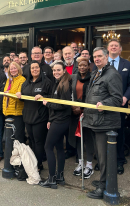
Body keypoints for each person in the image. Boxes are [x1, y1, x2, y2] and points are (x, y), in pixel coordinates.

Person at [83, 47, 123, 199]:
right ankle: (103, 181)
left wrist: (103, 103)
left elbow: (117, 99)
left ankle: (103, 187)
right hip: (94, 121)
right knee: (100, 157)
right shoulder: (96, 72)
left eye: (100, 56)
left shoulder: (112, 75)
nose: (97, 59)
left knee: (104, 158)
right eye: (95, 57)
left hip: (105, 122)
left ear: (107, 57)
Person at [37, 61, 72, 189]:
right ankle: (59, 176)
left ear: (64, 70)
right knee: (59, 148)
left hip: (61, 120)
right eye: (54, 70)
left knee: (48, 147)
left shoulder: (65, 84)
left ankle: (51, 178)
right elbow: (55, 101)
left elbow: (63, 105)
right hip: (56, 119)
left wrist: (47, 104)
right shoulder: (58, 83)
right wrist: (50, 120)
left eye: (58, 70)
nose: (56, 72)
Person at [106, 39, 130, 175]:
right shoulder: (101, 62)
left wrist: (125, 97)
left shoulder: (127, 64)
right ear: (108, 48)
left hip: (120, 105)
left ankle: (119, 160)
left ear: (120, 49)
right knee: (104, 133)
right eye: (111, 45)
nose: (113, 47)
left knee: (119, 133)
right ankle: (104, 161)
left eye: (116, 46)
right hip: (104, 105)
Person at [18, 60, 52, 171]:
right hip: (27, 116)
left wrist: (43, 96)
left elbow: (51, 97)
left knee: (38, 142)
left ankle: (38, 164)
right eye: (32, 68)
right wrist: (19, 95)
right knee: (31, 140)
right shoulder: (26, 83)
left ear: (40, 69)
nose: (34, 70)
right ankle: (32, 162)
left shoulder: (46, 82)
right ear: (29, 70)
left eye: (36, 67)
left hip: (40, 117)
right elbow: (23, 99)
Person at [68, 58, 95, 179]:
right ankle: (80, 163)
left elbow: (93, 96)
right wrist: (73, 106)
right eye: (80, 65)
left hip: (87, 112)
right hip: (75, 112)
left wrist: (83, 109)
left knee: (88, 138)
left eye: (84, 65)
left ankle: (89, 165)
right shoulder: (74, 77)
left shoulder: (93, 78)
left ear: (88, 66)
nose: (82, 67)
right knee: (78, 138)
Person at [3, 62, 26, 143]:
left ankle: (20, 154)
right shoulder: (9, 80)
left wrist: (9, 92)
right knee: (10, 136)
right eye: (11, 69)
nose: (13, 70)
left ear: (19, 69)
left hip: (17, 112)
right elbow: (5, 94)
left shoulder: (22, 79)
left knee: (18, 136)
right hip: (8, 111)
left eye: (14, 68)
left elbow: (19, 93)